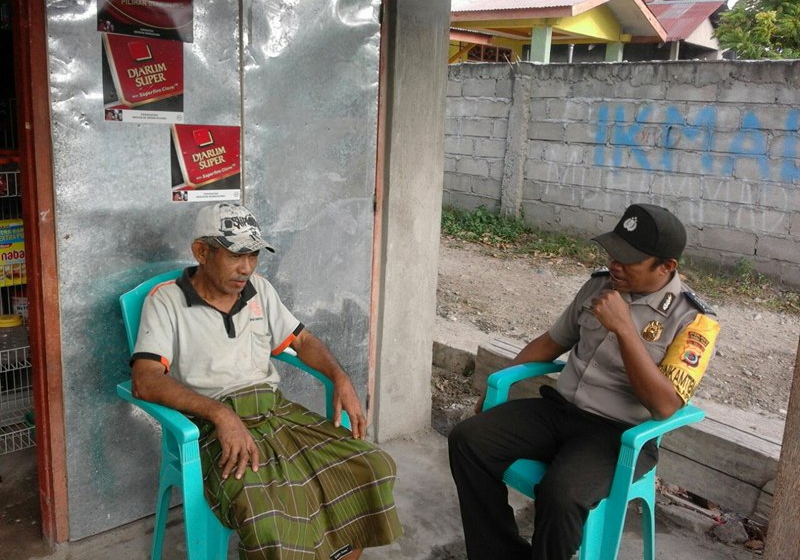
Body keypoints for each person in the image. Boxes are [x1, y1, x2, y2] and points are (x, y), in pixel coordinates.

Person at [130, 203, 403, 560]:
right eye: (235, 255)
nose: (247, 267)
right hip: (213, 427)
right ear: (202, 251)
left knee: (371, 467)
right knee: (268, 516)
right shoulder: (167, 301)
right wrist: (221, 415)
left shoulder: (259, 289)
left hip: (276, 413)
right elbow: (145, 380)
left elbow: (301, 341)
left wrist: (341, 377)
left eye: (253, 254)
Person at [448, 203, 720, 560]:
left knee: (561, 495)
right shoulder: (598, 286)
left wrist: (624, 327)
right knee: (468, 439)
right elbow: (551, 342)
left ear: (666, 266)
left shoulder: (694, 321)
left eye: (629, 259)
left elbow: (664, 405)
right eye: (613, 253)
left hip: (617, 435)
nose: (615, 265)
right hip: (560, 410)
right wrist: (493, 385)